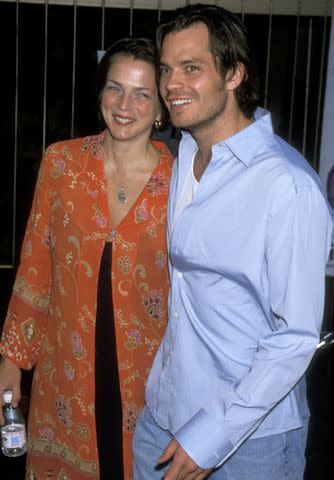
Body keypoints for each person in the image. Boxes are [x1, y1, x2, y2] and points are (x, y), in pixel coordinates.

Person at [132, 4, 334, 480]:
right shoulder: (183, 155)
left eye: (191, 68)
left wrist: (212, 436)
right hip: (162, 418)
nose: (171, 84)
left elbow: (295, 339)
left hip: (248, 439)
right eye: (166, 69)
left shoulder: (286, 186)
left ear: (234, 74)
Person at [0, 37, 174, 480]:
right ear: (99, 96)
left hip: (149, 379)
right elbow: (34, 267)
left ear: (160, 108)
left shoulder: (182, 181)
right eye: (114, 88)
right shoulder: (61, 164)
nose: (125, 105)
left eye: (142, 93)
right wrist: (11, 364)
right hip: (67, 371)